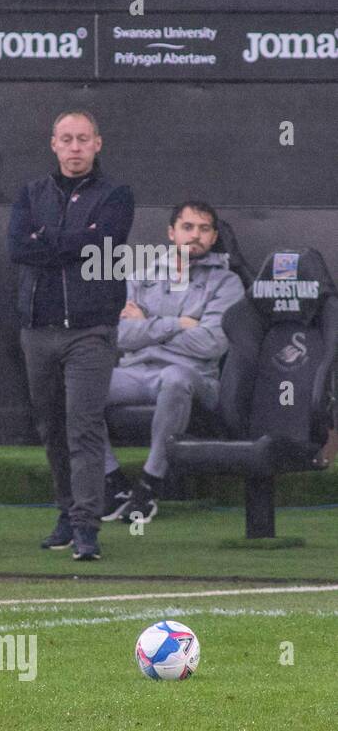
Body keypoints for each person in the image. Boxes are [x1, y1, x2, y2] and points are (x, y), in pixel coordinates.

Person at [9, 110, 135, 561]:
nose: (76, 147)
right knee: (51, 429)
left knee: (83, 427)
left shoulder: (117, 194)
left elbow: (104, 244)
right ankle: (67, 513)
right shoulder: (31, 192)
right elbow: (17, 248)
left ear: (97, 143)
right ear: (54, 143)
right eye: (67, 139)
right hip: (38, 330)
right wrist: (74, 241)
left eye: (83, 139)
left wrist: (50, 240)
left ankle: (87, 527)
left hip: (92, 330)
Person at [103, 202, 244, 523]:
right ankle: (114, 483)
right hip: (136, 372)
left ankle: (149, 485)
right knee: (76, 387)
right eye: (188, 227)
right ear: (171, 232)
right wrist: (177, 323)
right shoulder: (141, 275)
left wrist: (148, 322)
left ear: (213, 237)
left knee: (176, 377)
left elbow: (210, 343)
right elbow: (120, 336)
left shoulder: (226, 283)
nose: (195, 235)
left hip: (194, 377)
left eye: (204, 229)